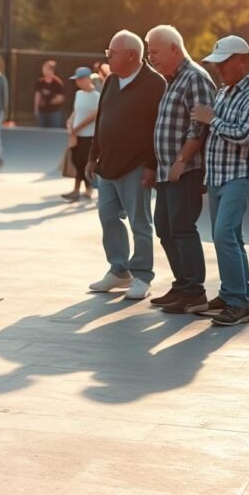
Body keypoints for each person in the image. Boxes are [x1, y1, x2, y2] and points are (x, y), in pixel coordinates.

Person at [190, 35, 249, 326]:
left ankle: (239, 303)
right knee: (229, 237)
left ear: (242, 61)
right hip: (217, 176)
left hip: (239, 176)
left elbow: (242, 134)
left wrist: (210, 118)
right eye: (216, 64)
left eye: (223, 63)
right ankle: (230, 296)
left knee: (224, 235)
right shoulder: (225, 91)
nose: (218, 69)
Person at [85, 30, 166, 301]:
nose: (107, 57)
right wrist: (92, 157)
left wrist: (151, 165)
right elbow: (102, 120)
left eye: (113, 53)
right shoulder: (110, 81)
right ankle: (119, 271)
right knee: (108, 217)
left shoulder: (155, 83)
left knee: (140, 223)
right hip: (107, 165)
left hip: (136, 167)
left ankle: (142, 275)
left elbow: (158, 128)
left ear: (132, 55)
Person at [143, 25, 217, 314]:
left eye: (154, 52)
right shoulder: (172, 79)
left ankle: (194, 292)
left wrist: (182, 160)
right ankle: (182, 284)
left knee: (182, 228)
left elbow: (199, 126)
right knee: (164, 227)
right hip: (166, 171)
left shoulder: (195, 78)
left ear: (174, 48)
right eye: (149, 53)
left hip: (185, 170)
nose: (151, 59)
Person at [62, 67, 100, 201]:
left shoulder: (96, 96)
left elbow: (94, 115)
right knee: (76, 160)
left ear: (88, 79)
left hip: (89, 135)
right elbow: (76, 111)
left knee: (85, 162)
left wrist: (78, 127)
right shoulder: (79, 94)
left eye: (80, 79)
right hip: (76, 134)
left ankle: (88, 189)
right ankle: (77, 189)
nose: (78, 82)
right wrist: (70, 122)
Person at [34, 60, 65, 128]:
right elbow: (37, 95)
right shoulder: (40, 82)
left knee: (54, 132)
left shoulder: (58, 83)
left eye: (45, 69)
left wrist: (48, 101)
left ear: (51, 70)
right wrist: (36, 109)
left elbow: (60, 98)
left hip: (54, 113)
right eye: (43, 69)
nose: (44, 70)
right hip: (42, 112)